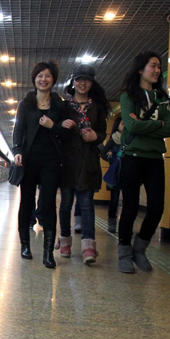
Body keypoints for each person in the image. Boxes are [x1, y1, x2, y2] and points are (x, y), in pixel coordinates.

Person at [12, 61, 72, 268]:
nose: (43, 79)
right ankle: (25, 245)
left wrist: (53, 125)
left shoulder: (60, 106)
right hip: (29, 160)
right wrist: (17, 151)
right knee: (26, 203)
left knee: (48, 204)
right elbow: (18, 130)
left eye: (47, 76)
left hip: (51, 161)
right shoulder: (25, 104)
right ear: (34, 79)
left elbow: (66, 133)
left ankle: (48, 252)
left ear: (53, 79)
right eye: (40, 75)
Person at [117, 51, 170, 273]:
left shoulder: (164, 99)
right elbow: (133, 127)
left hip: (155, 159)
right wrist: (157, 126)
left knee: (157, 207)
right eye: (153, 66)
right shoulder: (128, 96)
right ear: (141, 69)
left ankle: (140, 248)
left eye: (159, 66)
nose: (157, 70)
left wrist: (152, 126)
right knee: (129, 207)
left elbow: (169, 128)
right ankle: (124, 253)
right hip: (133, 158)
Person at [57, 64, 109, 264]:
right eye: (79, 79)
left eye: (86, 79)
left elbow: (103, 132)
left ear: (92, 82)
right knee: (66, 204)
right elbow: (56, 132)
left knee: (87, 205)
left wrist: (96, 136)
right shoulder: (64, 107)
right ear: (73, 82)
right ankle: (65, 242)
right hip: (68, 161)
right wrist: (62, 125)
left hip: (88, 163)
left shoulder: (97, 108)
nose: (82, 83)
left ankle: (88, 247)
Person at [100, 116, 125, 233]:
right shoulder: (114, 138)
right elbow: (104, 153)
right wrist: (111, 158)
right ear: (117, 126)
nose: (124, 127)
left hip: (128, 173)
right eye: (122, 124)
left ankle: (125, 225)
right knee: (114, 200)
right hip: (115, 173)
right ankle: (112, 222)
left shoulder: (131, 138)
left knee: (128, 200)